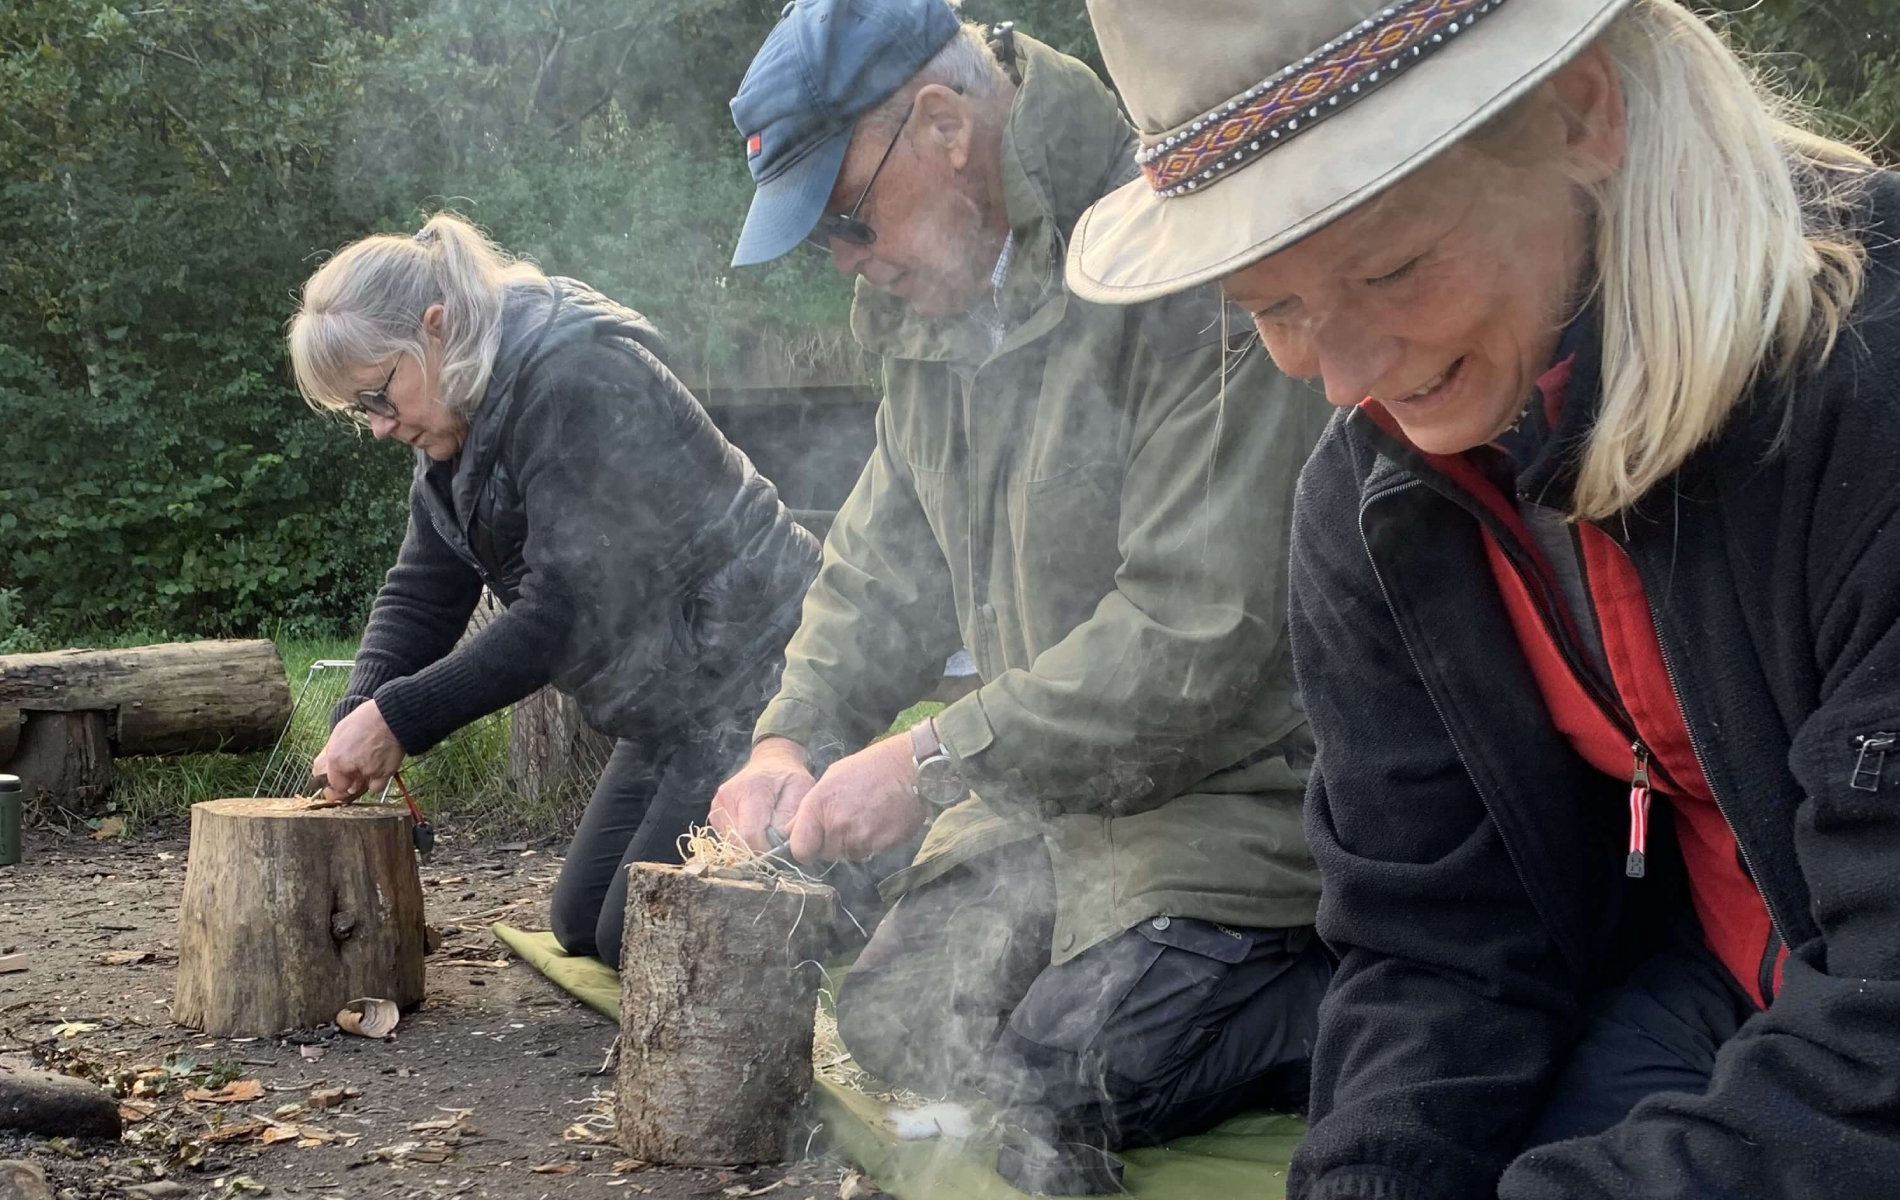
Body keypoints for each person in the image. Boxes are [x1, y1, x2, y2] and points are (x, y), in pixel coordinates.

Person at [1066, 0, 1900, 1196]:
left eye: (1390, 265)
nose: (1347, 381)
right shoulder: (1375, 497)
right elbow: (1436, 942)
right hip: (1714, 976)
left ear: (1581, 113)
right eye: (1273, 309)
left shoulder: (1867, 392)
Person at [713, 2, 1331, 1191]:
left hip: (1242, 792)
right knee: (897, 1020)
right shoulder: (923, 306)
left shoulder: (1182, 248)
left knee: (1081, 1075)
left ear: (942, 125)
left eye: (844, 218)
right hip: (1051, 797)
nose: (844, 260)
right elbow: (881, 564)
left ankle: (1370, 985)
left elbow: (1193, 635)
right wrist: (790, 736)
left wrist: (934, 759)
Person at [286, 212, 820, 969]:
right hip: (671, 702)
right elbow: (421, 590)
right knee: (581, 927)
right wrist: (360, 711)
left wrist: (400, 718)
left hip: (755, 681)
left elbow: (568, 611)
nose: (377, 427)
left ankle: (870, 859)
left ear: (434, 330)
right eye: (359, 411)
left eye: (377, 396)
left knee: (637, 935)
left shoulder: (577, 380)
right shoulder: (459, 415)